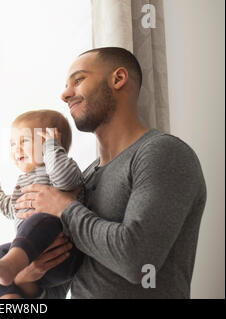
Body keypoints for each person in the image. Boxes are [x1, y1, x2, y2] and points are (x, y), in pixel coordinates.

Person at [11, 47, 207, 299]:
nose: (64, 93)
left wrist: (64, 208)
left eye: (78, 80)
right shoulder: (87, 175)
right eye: (65, 84)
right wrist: (29, 278)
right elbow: (61, 287)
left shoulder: (163, 153)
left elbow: (138, 261)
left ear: (118, 79)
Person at [0, 109, 85, 299]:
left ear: (50, 141)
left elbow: (66, 181)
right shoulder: (24, 181)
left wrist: (53, 149)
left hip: (62, 254)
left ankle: (10, 265)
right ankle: (9, 298)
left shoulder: (59, 170)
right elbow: (15, 211)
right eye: (12, 144)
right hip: (29, 259)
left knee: (42, 219)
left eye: (24, 141)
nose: (16, 149)